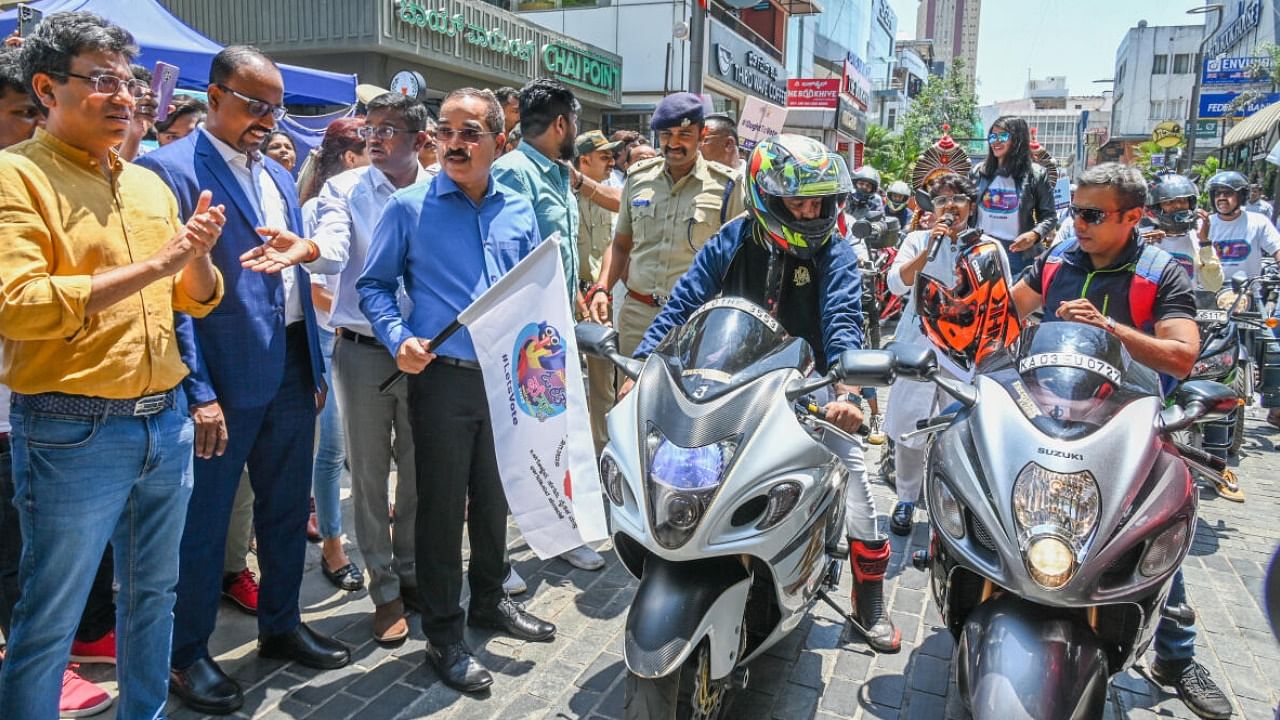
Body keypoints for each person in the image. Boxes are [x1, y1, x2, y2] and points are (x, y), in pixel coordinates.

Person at [0, 12, 226, 719]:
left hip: (165, 422)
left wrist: (197, 258)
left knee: (154, 598)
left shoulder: (148, 184)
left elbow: (193, 301)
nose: (124, 96)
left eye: (127, 81)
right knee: (51, 619)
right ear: (47, 88)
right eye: (101, 80)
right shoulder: (16, 177)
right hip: (73, 432)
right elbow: (21, 306)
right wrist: (159, 261)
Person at [136, 45, 348, 715]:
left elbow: (290, 271)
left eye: (276, 107)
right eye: (256, 105)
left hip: (291, 366)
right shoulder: (167, 171)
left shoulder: (277, 175)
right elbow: (171, 295)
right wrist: (197, 393)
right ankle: (187, 654)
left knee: (286, 511)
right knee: (203, 525)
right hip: (223, 382)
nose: (268, 119)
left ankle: (281, 625)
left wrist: (311, 364)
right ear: (216, 94)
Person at [630, 134, 900, 652]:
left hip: (810, 391)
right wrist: (640, 364)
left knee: (860, 483)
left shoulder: (836, 253)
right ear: (765, 198)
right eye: (798, 201)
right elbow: (683, 302)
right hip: (727, 384)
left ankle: (870, 603)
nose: (809, 211)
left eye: (819, 201)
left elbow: (842, 321)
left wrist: (845, 388)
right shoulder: (731, 240)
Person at [1008, 162, 1229, 720]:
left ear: (1133, 217)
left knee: (1150, 541)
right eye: (1074, 212)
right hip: (1047, 419)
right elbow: (1009, 306)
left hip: (1129, 430)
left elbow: (1182, 354)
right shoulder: (1058, 258)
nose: (1078, 224)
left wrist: (1111, 329)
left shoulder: (1161, 271)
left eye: (1092, 214)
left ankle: (1176, 658)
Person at [358, 87, 557, 694]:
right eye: (447, 131)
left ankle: (491, 601)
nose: (456, 142)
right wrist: (399, 339)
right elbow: (374, 286)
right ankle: (443, 636)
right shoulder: (410, 208)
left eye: (471, 132)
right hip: (442, 382)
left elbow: (534, 296)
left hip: (508, 382)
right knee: (442, 513)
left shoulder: (520, 209)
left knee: (496, 499)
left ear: (501, 140)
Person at [0, 40, 118, 720]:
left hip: (63, 398)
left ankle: (88, 632)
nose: (32, 125)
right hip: (24, 400)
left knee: (78, 539)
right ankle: (34, 657)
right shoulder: (16, 182)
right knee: (24, 547)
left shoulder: (78, 177)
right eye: (20, 112)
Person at [303, 94, 432, 641]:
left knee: (421, 473)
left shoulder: (442, 190)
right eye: (370, 129)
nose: (375, 139)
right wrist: (306, 250)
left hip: (431, 354)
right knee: (371, 477)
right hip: (361, 349)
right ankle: (383, 590)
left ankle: (412, 573)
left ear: (421, 140)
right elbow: (332, 248)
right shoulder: (343, 190)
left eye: (389, 130)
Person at [492, 79, 605, 572]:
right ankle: (496, 561)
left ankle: (560, 533)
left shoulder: (559, 174)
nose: (576, 132)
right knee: (515, 445)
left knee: (555, 437)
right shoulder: (512, 173)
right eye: (575, 123)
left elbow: (559, 249)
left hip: (556, 331)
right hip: (523, 338)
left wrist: (579, 295)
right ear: (562, 124)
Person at [883, 172, 1012, 537]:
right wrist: (931, 247)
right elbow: (896, 283)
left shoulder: (990, 248)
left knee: (958, 431)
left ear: (971, 206)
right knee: (910, 430)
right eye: (941, 201)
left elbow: (1002, 301)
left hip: (966, 355)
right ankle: (906, 498)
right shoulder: (917, 240)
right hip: (919, 349)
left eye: (957, 199)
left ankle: (951, 504)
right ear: (932, 209)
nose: (949, 206)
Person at [587, 92, 743, 357]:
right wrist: (602, 288)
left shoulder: (727, 186)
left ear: (701, 133)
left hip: (695, 319)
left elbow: (738, 262)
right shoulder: (638, 179)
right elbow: (621, 245)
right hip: (637, 315)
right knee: (632, 393)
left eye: (683, 135)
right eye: (666, 135)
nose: (673, 144)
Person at [299, 117, 367, 579]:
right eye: (370, 148)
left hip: (359, 338)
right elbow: (318, 291)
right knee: (333, 450)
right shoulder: (316, 210)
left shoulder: (372, 197)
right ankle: (332, 543)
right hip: (331, 339)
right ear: (349, 158)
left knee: (359, 449)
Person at [1202, 170, 1280, 429]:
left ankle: (1276, 405)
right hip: (1211, 293)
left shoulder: (1257, 222)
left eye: (1228, 193)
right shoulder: (1205, 224)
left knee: (1271, 344)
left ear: (1241, 196)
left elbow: (1276, 248)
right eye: (1218, 194)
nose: (1222, 198)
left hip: (1250, 291)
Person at [573, 129, 621, 457]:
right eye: (604, 156)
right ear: (584, 160)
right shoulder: (562, 197)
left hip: (601, 299)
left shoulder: (612, 193)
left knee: (604, 383)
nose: (612, 162)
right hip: (568, 298)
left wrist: (601, 290)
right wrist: (576, 295)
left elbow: (614, 246)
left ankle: (602, 453)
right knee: (566, 381)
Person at [972, 116, 1057, 277]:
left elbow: (1049, 216)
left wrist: (1034, 235)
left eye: (1002, 136)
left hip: (1018, 254)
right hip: (981, 250)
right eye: (992, 136)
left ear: (1017, 139)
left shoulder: (1036, 174)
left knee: (1014, 301)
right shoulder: (978, 172)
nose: (995, 141)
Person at [1141, 174, 1223, 293]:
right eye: (1169, 202)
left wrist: (1205, 243)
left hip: (1186, 307)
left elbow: (1213, 286)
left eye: (1183, 201)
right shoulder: (1143, 237)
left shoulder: (1198, 238)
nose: (1178, 206)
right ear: (1156, 207)